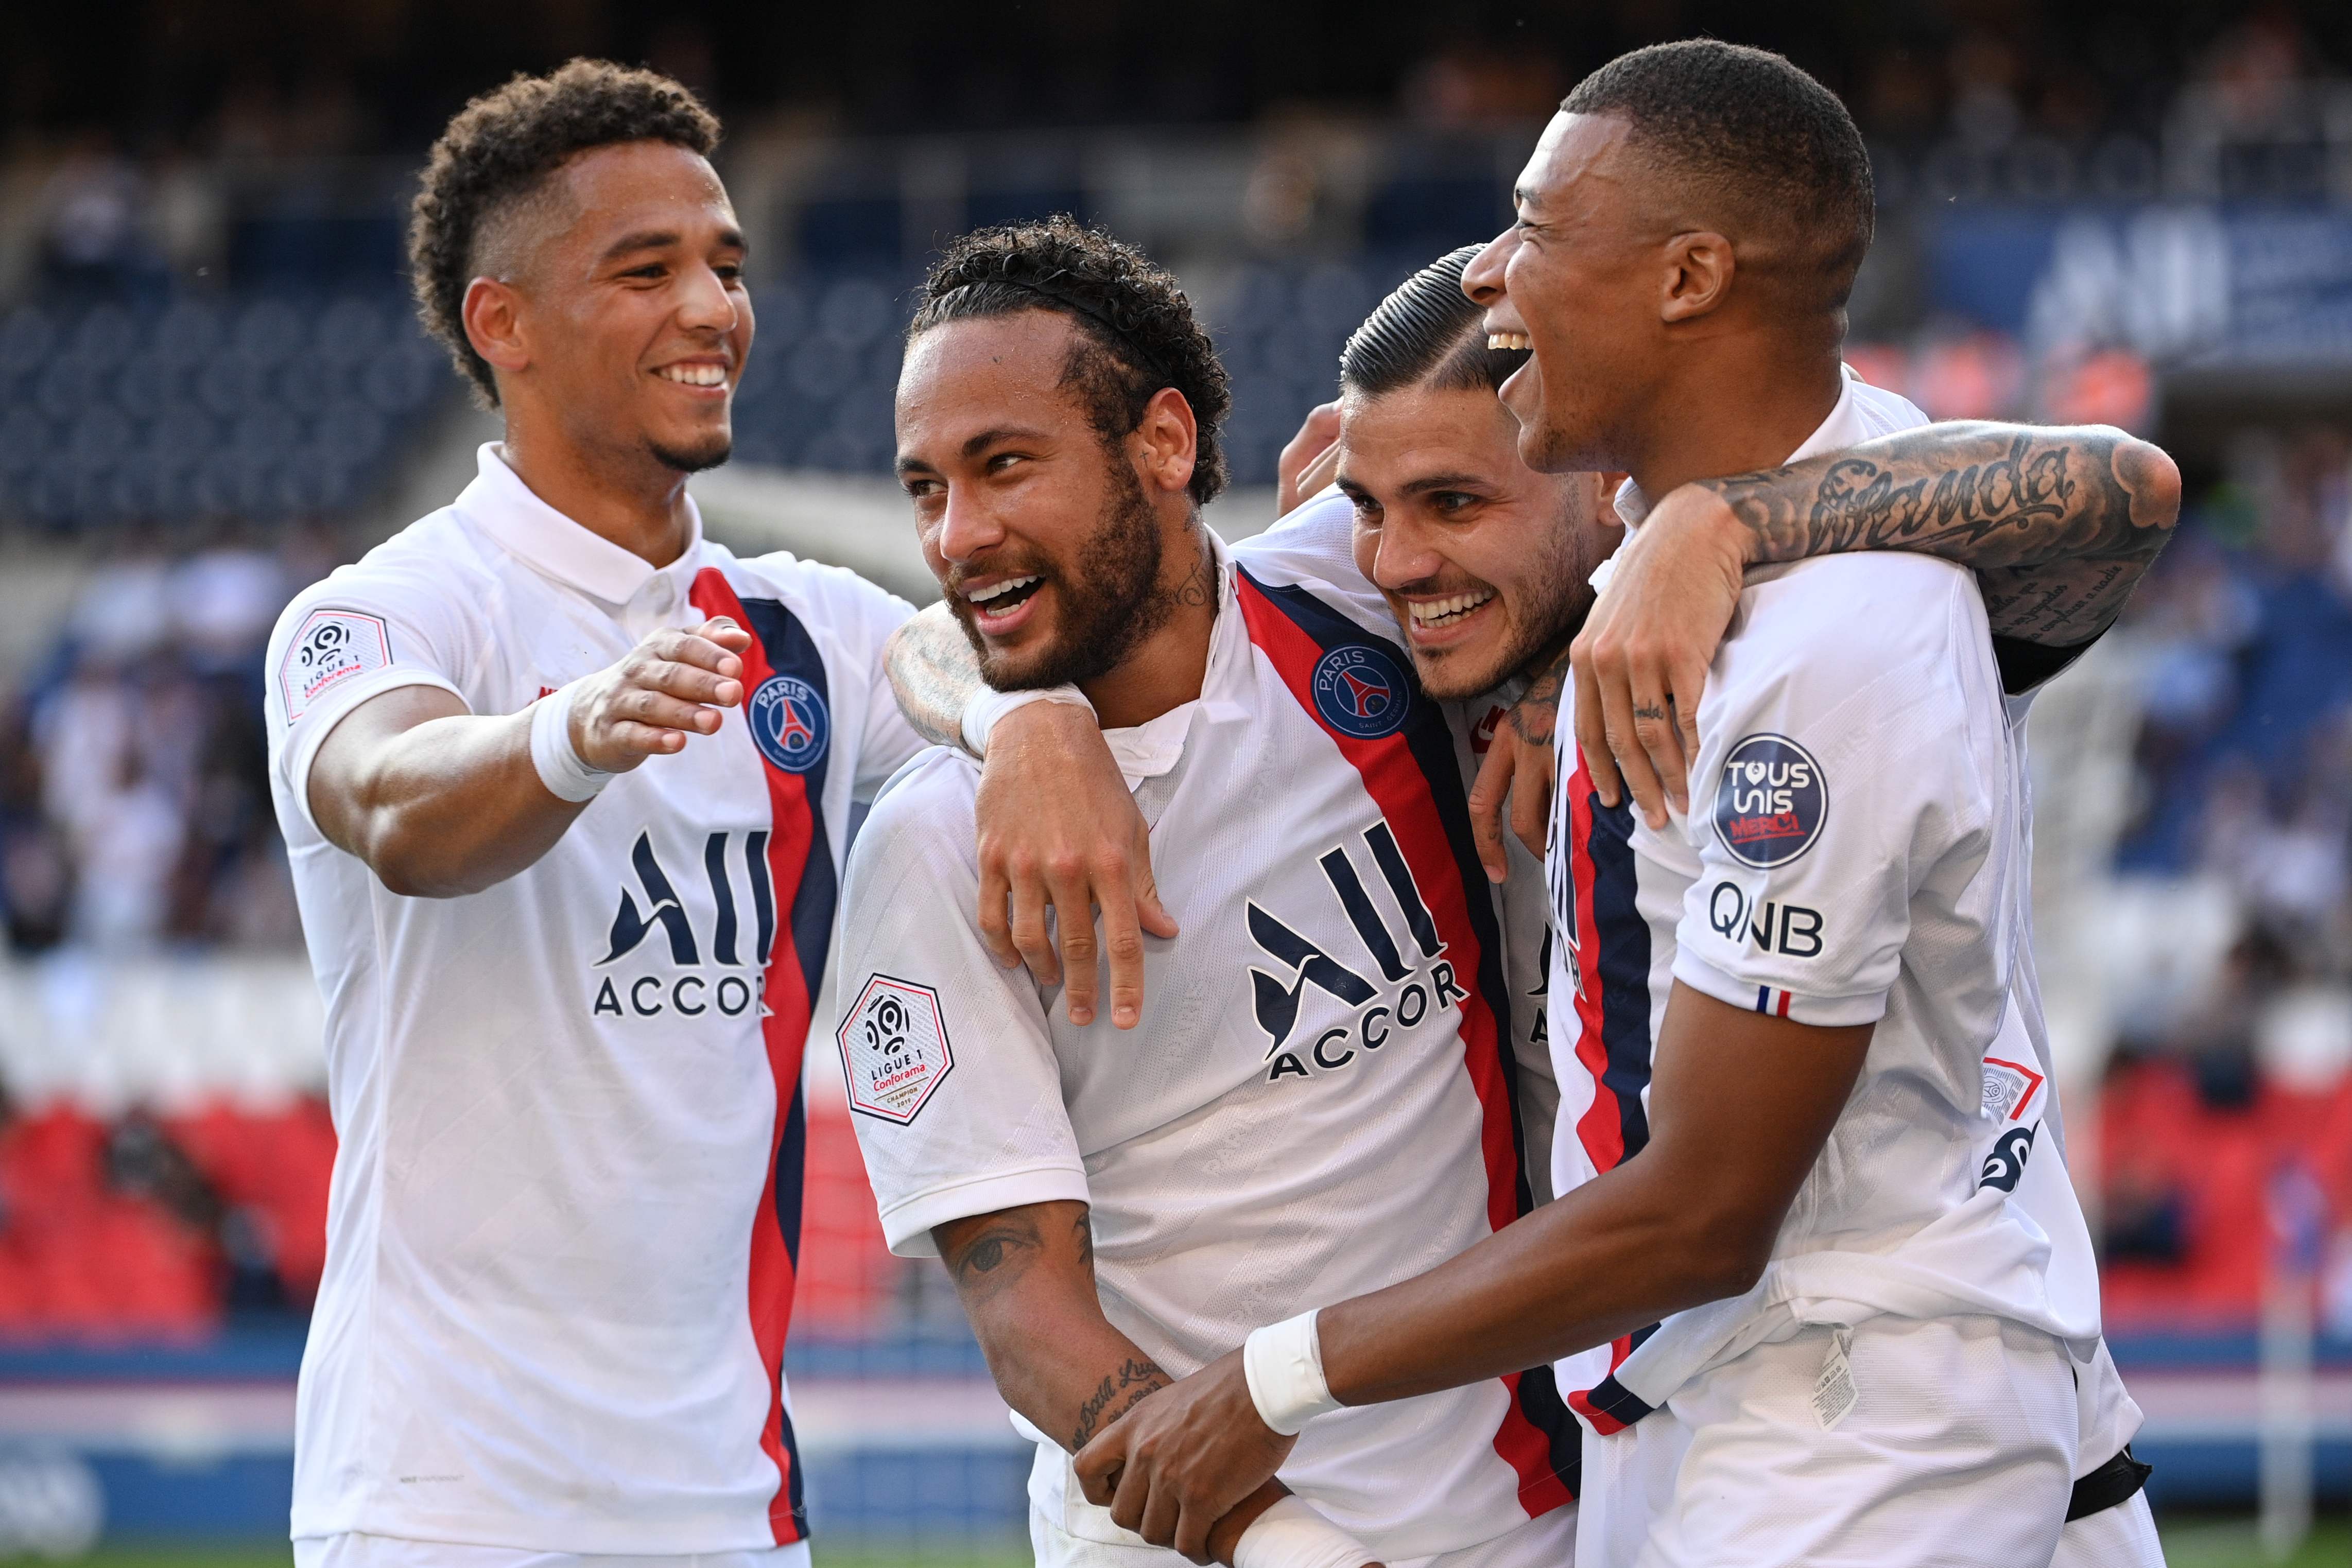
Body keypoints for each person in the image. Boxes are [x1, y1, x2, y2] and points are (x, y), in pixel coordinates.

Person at [1071, 42, 2178, 1568]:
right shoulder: (1604, 542)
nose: (1492, 281)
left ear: (1690, 279)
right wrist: (1032, 725)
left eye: (1537, 230)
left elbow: (1708, 1210)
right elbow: (1051, 598)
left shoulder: (1831, 636)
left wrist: (1273, 1384)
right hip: (1711, 1393)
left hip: (1850, 1385)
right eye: (1374, 513)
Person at [264, 63, 1135, 1568]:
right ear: (504, 323)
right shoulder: (387, 610)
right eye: (645, 269)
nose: (713, 308)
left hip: (731, 1505)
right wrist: (573, 733)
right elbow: (391, 802)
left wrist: (1031, 718)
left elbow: (989, 663)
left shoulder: (797, 628)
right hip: (441, 1502)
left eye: (727, 266)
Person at [841, 216, 1582, 1568]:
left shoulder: (1365, 601)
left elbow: (1561, 475)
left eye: (1006, 465)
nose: (961, 531)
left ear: (1165, 444)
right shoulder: (936, 848)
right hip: (1224, 1546)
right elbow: (1028, 1321)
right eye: (926, 488)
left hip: (1527, 1518)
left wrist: (1576, 647)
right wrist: (1292, 1548)